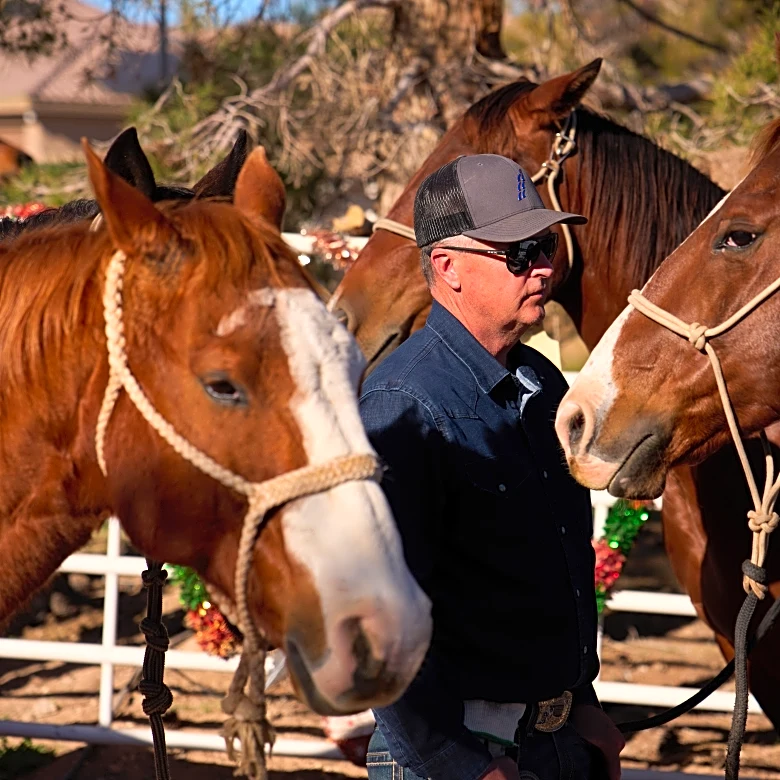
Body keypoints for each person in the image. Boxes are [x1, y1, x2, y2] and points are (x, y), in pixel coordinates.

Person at [358, 154, 625, 780]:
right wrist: (462, 766)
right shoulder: (402, 406)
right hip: (450, 757)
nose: (541, 266)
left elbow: (560, 569)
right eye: (517, 252)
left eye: (543, 245)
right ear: (446, 266)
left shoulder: (542, 383)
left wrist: (580, 706)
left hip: (555, 746)